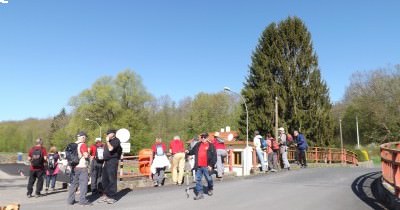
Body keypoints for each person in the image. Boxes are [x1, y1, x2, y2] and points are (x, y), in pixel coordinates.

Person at [186, 132, 217, 200]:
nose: (203, 138)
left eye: (204, 137)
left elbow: (214, 156)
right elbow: (193, 151)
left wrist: (211, 165)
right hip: (198, 166)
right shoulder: (198, 144)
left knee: (209, 179)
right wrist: (188, 152)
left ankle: (210, 188)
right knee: (198, 180)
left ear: (207, 138)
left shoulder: (211, 146)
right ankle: (200, 193)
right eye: (202, 137)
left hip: (207, 166)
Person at [67, 131, 91, 206]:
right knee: (83, 184)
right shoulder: (83, 145)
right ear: (83, 137)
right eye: (85, 137)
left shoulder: (73, 144)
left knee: (73, 184)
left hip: (74, 167)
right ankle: (82, 201)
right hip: (82, 167)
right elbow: (86, 155)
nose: (85, 139)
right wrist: (89, 154)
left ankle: (70, 200)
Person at [98, 129, 122, 204]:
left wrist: (108, 141)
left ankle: (112, 196)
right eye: (107, 133)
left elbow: (111, 149)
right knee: (104, 179)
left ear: (113, 134)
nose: (107, 135)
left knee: (112, 178)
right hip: (106, 161)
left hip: (113, 161)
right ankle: (106, 195)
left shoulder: (116, 141)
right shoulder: (108, 142)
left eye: (109, 133)